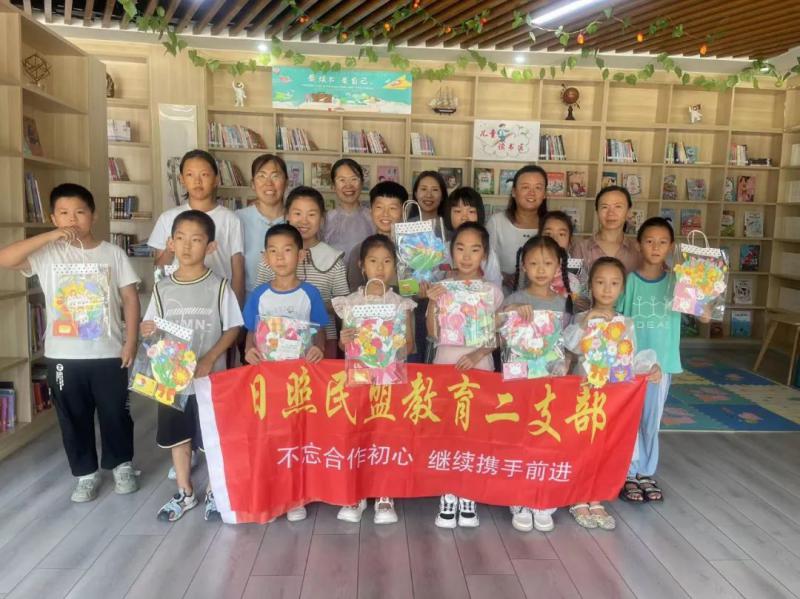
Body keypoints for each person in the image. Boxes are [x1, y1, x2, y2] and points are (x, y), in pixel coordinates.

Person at [0, 183, 140, 502]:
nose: (72, 219)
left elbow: (130, 299)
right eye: (63, 213)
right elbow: (5, 258)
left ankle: (122, 465)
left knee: (115, 412)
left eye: (80, 212)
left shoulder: (112, 253)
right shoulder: (47, 254)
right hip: (63, 355)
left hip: (108, 352)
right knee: (73, 416)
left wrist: (131, 341)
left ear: (93, 215)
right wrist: (50, 236)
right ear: (53, 218)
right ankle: (85, 474)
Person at [141, 210, 242, 522]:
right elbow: (151, 327)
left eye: (196, 240)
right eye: (180, 238)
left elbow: (233, 328)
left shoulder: (220, 286)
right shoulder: (162, 288)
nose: (187, 246)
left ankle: (214, 492)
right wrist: (148, 331)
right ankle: (185, 492)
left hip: (211, 383)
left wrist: (210, 358)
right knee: (179, 438)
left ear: (210, 247)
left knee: (211, 439)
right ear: (170, 243)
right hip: (173, 382)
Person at [563, 257, 660, 531]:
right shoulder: (580, 318)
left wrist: (650, 367)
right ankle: (578, 497)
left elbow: (630, 360)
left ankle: (595, 497)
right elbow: (570, 346)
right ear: (590, 286)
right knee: (583, 445)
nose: (607, 289)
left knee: (604, 447)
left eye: (614, 283)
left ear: (622, 288)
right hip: (584, 394)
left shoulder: (626, 323)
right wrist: (587, 322)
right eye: (600, 282)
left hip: (611, 398)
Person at [242, 223, 328, 522]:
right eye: (273, 251)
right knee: (270, 436)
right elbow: (251, 332)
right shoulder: (259, 295)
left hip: (301, 381)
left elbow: (320, 331)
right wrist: (248, 350)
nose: (280, 257)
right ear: (265, 257)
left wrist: (319, 348)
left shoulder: (309, 293)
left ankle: (295, 496)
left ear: (301, 255)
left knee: (298, 434)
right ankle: (273, 494)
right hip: (268, 380)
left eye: (287, 250)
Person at [332, 235, 416, 524]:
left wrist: (392, 339)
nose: (380, 267)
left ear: (395, 266)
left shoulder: (400, 304)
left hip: (390, 382)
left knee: (386, 434)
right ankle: (356, 494)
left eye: (387, 261)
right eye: (373, 261)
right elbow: (344, 345)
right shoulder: (351, 303)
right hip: (359, 382)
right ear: (361, 265)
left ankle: (384, 493)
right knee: (358, 434)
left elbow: (410, 346)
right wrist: (345, 338)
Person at [426, 222, 504, 529]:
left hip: (479, 369)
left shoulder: (492, 292)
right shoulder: (442, 287)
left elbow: (499, 336)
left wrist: (477, 354)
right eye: (460, 248)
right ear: (451, 251)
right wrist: (433, 302)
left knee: (475, 432)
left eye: (475, 249)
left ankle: (469, 492)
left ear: (484, 254)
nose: (467, 256)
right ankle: (448, 492)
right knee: (447, 430)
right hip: (446, 366)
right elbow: (433, 334)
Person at [500, 234, 573, 532]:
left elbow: (569, 342)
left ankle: (543, 497)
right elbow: (495, 333)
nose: (541, 269)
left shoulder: (563, 303)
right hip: (520, 382)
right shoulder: (513, 299)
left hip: (551, 383)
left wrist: (567, 363)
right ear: (523, 267)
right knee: (519, 436)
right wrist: (510, 314)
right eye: (533, 263)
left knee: (547, 438)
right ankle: (518, 496)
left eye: (547, 263)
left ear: (558, 266)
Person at [617, 217, 688, 504]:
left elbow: (705, 316)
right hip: (631, 365)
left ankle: (645, 471)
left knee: (651, 421)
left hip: (661, 367)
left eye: (662, 242)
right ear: (638, 245)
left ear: (671, 247)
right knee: (628, 420)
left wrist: (707, 294)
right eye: (649, 241)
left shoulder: (678, 284)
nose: (655, 247)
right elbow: (618, 320)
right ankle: (627, 472)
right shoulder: (630, 281)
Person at [256, 186, 349, 358]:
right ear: (287, 215)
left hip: (322, 341)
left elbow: (345, 305)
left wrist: (311, 306)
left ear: (322, 218)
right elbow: (259, 303)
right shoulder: (270, 257)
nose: (304, 221)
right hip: (275, 341)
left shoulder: (333, 258)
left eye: (311, 214)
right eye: (297, 213)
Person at [149, 149, 245, 305]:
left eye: (204, 175)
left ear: (216, 179)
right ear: (181, 179)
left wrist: (237, 310)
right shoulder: (167, 218)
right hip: (177, 300)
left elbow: (238, 270)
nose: (197, 181)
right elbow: (159, 269)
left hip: (218, 300)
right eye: (190, 175)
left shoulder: (231, 219)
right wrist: (170, 250)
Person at [487, 165, 548, 293]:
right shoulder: (496, 222)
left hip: (542, 296)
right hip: (503, 296)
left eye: (538, 188)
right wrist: (503, 276)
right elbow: (484, 261)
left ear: (544, 194)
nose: (532, 193)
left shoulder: (551, 224)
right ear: (514, 192)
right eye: (525, 187)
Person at [236, 154, 287, 294]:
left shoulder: (296, 220)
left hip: (291, 301)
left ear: (286, 182)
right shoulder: (238, 219)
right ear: (253, 184)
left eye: (275, 176)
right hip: (250, 301)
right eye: (262, 176)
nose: (268, 183)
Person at [346, 180, 406, 290]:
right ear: (371, 210)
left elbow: (416, 289)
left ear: (403, 212)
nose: (385, 214)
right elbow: (354, 291)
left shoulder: (412, 250)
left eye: (392, 208)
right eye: (379, 207)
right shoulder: (359, 250)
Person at [571, 185, 641, 275]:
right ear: (597, 212)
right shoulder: (579, 249)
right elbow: (572, 280)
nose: (611, 213)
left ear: (628, 212)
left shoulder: (638, 250)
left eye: (618, 206)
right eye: (605, 207)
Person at [323, 159, 373, 265]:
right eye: (342, 180)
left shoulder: (372, 218)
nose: (348, 185)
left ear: (362, 183)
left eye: (354, 179)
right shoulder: (325, 220)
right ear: (333, 186)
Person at [540, 210, 588, 309]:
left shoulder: (576, 266)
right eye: (548, 233)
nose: (554, 239)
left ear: (570, 241)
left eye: (561, 234)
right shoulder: (532, 264)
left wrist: (582, 302)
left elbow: (585, 296)